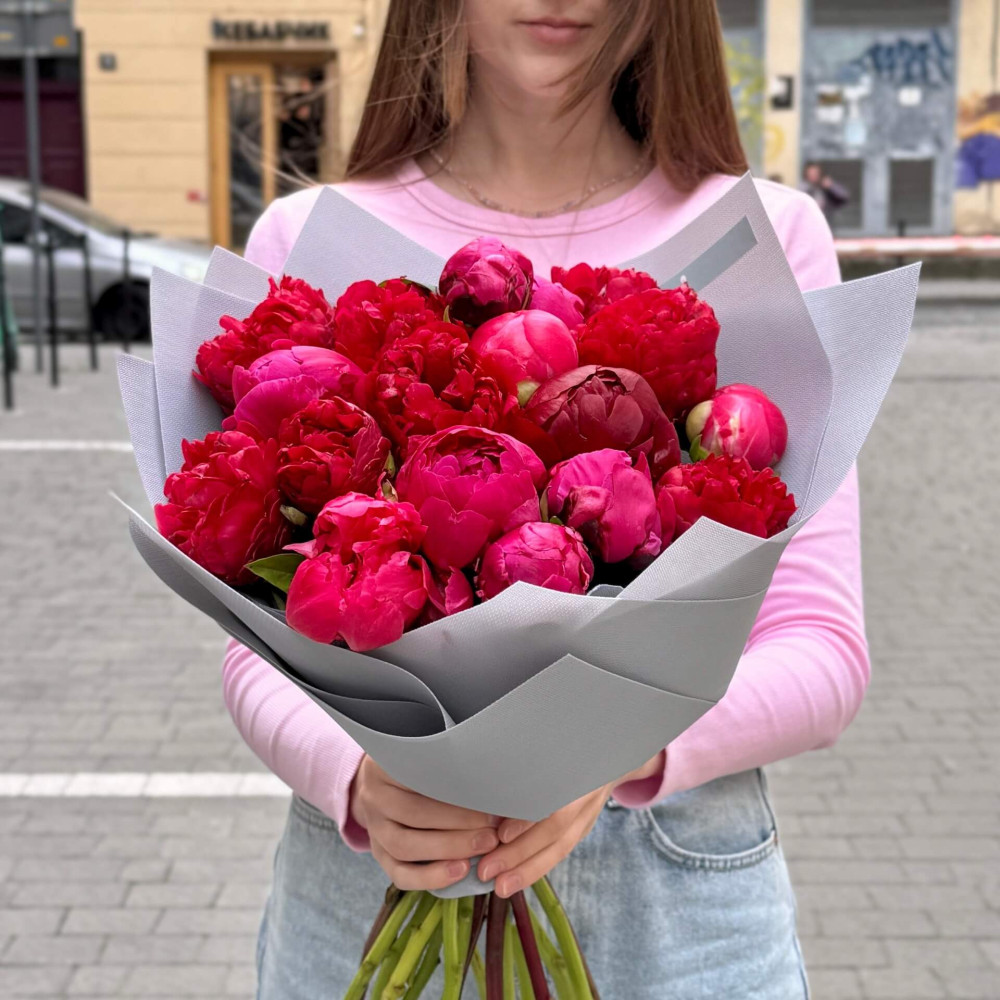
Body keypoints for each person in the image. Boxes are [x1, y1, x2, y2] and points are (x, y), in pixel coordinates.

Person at [225, 2, 866, 996]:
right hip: (373, 870)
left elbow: (822, 647)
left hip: (676, 899)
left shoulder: (768, 236)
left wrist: (612, 745)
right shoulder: (307, 238)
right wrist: (353, 775)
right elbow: (253, 637)